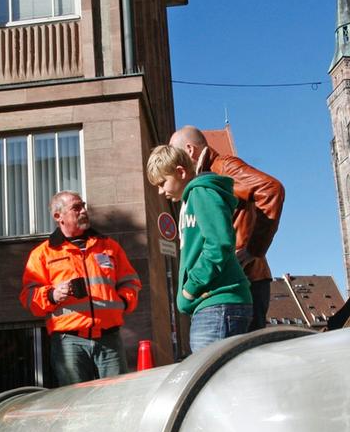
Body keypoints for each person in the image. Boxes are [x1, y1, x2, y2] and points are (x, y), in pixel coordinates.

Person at [167, 125, 284, 332]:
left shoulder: (222, 167)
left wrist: (253, 250)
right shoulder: (204, 176)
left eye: (175, 153)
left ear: (190, 150)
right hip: (236, 281)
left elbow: (271, 189)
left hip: (246, 280)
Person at [20, 191, 141, 385]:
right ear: (58, 217)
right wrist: (52, 295)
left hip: (109, 338)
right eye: (76, 208)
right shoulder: (42, 254)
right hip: (69, 342)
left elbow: (131, 281)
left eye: (83, 205)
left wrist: (125, 301)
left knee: (118, 397)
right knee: (75, 402)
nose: (84, 210)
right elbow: (28, 296)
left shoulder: (108, 246)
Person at [147, 144, 253, 353]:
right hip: (213, 305)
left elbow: (219, 243)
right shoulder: (192, 198)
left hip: (218, 304)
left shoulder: (200, 193)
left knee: (215, 383)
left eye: (162, 183)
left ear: (180, 172)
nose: (161, 191)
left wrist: (190, 288)